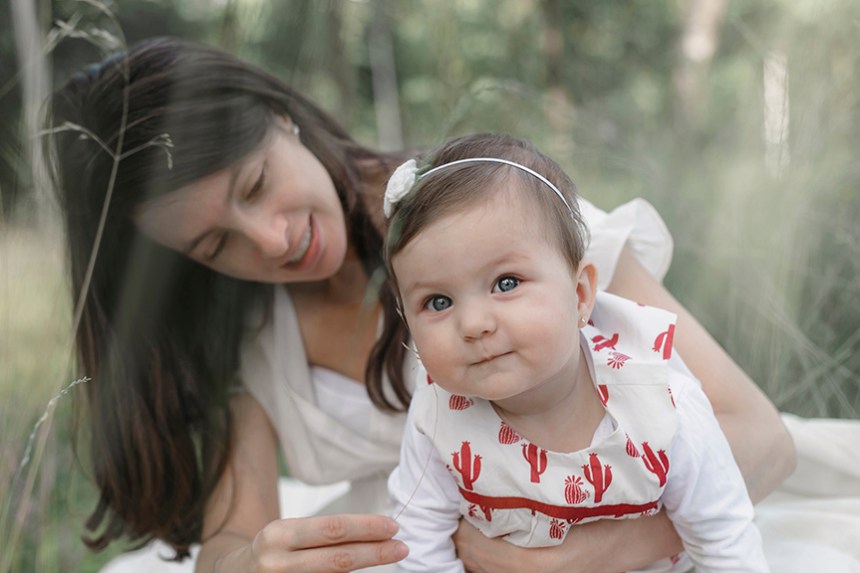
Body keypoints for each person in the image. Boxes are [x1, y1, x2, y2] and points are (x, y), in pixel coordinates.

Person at [45, 36, 793, 573]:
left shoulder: (499, 214)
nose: (271, 240)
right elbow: (230, 540)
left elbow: (758, 436)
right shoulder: (248, 338)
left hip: (644, 529)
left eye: (255, 183)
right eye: (215, 245)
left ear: (281, 117)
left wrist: (578, 555)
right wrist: (253, 560)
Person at [383, 133, 768, 572]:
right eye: (437, 302)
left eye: (506, 283)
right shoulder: (437, 415)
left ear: (581, 293)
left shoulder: (661, 408)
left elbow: (724, 539)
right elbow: (418, 543)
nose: (473, 324)